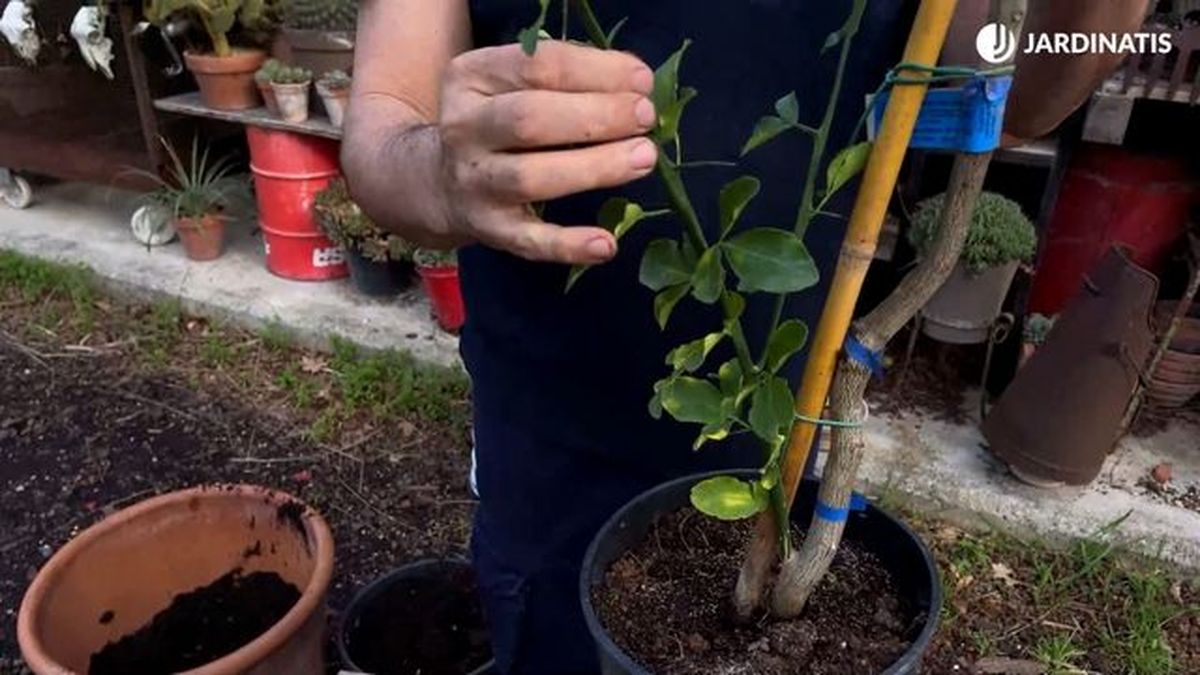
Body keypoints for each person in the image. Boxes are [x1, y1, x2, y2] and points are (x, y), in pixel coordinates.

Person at [342, 2, 1149, 672]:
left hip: (780, 447)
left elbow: (1012, 86)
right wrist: (438, 172)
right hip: (545, 445)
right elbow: (384, 123)